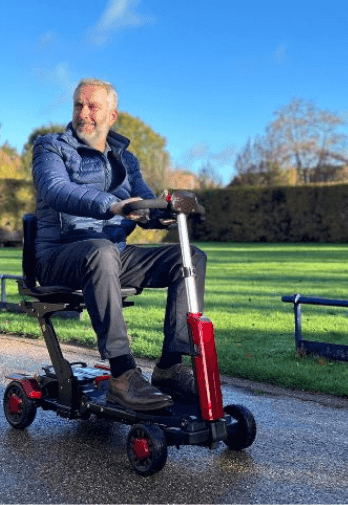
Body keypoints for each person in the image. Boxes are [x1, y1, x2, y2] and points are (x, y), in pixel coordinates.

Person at [31, 78, 207, 411]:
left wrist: (164, 213)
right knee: (101, 251)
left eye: (93, 106)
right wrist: (112, 204)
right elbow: (56, 190)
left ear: (112, 115)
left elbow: (144, 204)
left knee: (190, 258)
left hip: (114, 254)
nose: (84, 114)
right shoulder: (50, 147)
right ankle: (122, 374)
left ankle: (170, 365)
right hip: (61, 255)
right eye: (78, 105)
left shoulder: (126, 160)